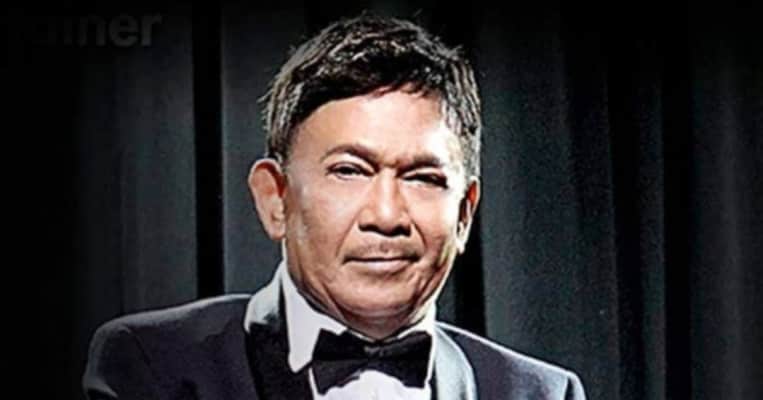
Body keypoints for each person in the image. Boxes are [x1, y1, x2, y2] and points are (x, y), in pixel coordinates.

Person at [82, 14, 585, 400]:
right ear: (276, 199)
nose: (386, 216)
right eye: (349, 171)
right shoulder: (154, 367)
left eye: (422, 178)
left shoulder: (542, 394)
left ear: (464, 215)